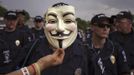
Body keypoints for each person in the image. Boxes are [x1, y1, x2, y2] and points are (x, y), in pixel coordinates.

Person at [26, 2, 88, 75]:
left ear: (75, 23)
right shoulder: (32, 47)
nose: (60, 28)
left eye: (68, 21)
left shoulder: (84, 51)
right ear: (45, 24)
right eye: (52, 21)